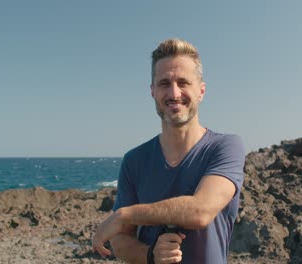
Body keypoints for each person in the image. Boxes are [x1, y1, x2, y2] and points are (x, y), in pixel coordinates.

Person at [92, 38, 245, 264]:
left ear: (201, 91)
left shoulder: (225, 147)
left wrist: (124, 214)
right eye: (164, 83)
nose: (174, 93)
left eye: (183, 82)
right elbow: (120, 241)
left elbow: (200, 211)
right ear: (152, 91)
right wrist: (151, 254)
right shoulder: (134, 161)